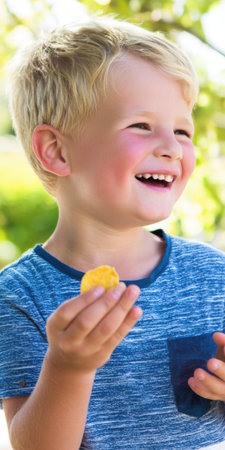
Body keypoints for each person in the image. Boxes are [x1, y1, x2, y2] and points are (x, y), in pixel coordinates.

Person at [0, 16, 225, 450]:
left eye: (182, 130)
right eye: (141, 126)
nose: (172, 147)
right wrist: (68, 368)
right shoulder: (20, 295)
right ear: (57, 151)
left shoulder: (214, 276)